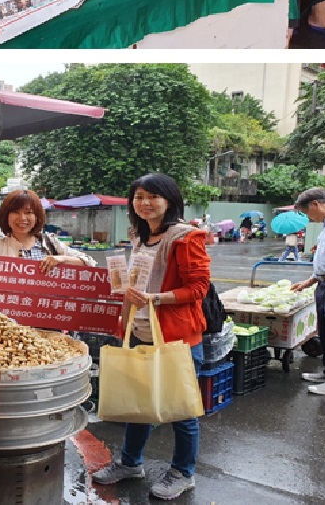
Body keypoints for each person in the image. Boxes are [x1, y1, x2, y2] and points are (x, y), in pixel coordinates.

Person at [92, 173, 210, 500]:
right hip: (142, 331)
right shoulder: (140, 237)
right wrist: (124, 318)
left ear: (169, 200)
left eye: (153, 196)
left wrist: (156, 299)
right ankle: (131, 463)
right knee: (140, 404)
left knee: (180, 409)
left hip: (177, 337)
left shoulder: (186, 237)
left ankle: (183, 472)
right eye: (139, 196)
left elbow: (198, 289)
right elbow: (135, 284)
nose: (145, 203)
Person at [0, 189, 96, 268]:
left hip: (46, 302)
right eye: (15, 212)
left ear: (37, 217)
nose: (22, 218)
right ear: (6, 216)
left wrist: (62, 259)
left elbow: (90, 263)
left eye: (28, 212)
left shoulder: (50, 243)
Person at [290, 187, 325, 396]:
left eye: (308, 213)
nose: (309, 218)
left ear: (315, 204)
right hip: (324, 285)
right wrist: (310, 281)